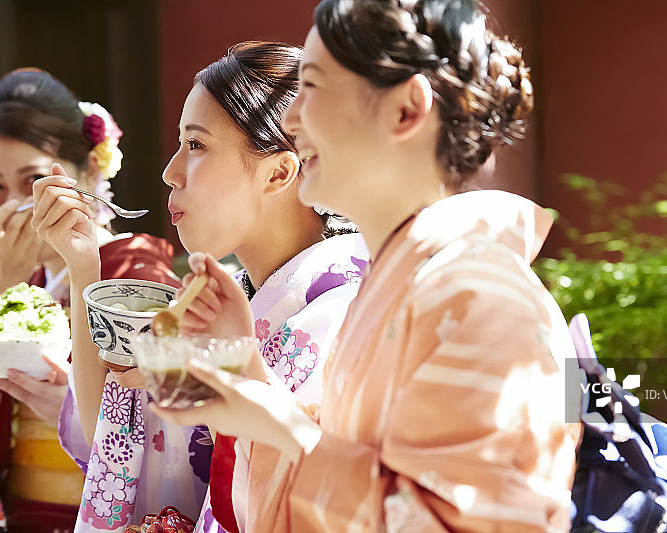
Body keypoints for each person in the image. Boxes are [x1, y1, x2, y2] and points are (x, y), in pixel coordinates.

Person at [156, 0, 581, 531]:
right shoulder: (402, 288)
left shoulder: (487, 302)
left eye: (312, 87)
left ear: (405, 111)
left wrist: (276, 421)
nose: (288, 119)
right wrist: (247, 375)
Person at [32, 41, 368, 533]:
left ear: (279, 171)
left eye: (196, 145)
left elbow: (310, 490)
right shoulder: (225, 296)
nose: (170, 172)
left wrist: (212, 389)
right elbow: (110, 437)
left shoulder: (345, 309)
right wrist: (84, 265)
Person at [0, 68, 179, 532]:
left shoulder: (137, 273)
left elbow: (167, 432)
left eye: (34, 179)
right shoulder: (21, 276)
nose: (16, 204)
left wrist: (79, 413)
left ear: (89, 172)